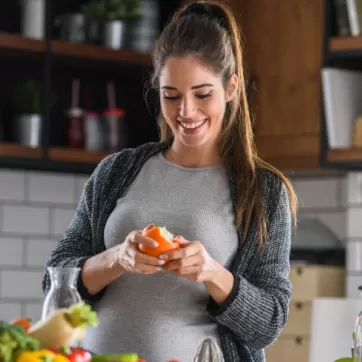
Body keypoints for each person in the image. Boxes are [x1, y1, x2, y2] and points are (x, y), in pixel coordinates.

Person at [42, 1, 298, 361]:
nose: (186, 112)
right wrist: (119, 257)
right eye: (171, 95)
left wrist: (211, 273)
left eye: (202, 94)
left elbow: (269, 323)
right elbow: (55, 282)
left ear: (231, 88)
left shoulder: (263, 191)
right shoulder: (116, 172)